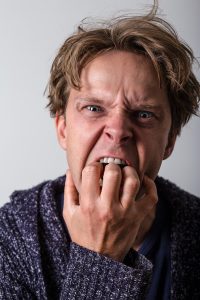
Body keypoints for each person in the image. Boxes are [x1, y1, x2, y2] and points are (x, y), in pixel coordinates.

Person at [0, 4, 200, 300]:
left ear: (169, 140)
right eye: (93, 108)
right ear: (63, 129)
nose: (118, 130)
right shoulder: (9, 238)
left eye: (144, 114)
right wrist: (100, 259)